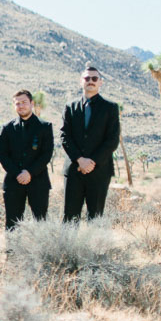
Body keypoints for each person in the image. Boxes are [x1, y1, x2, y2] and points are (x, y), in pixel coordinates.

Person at [61, 65, 120, 221]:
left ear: (100, 82)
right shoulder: (70, 107)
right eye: (87, 78)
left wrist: (92, 162)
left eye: (94, 78)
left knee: (96, 217)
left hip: (99, 171)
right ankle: (67, 246)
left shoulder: (111, 108)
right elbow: (64, 136)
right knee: (69, 217)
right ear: (81, 81)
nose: (91, 81)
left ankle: (95, 246)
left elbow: (112, 140)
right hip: (74, 170)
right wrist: (80, 160)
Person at [0, 90, 54, 231]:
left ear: (32, 103)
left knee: (40, 222)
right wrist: (18, 173)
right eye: (18, 103)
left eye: (24, 102)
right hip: (13, 181)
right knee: (12, 222)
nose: (21, 106)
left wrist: (29, 173)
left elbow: (46, 154)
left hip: (38, 181)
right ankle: (12, 252)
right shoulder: (7, 128)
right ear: (14, 106)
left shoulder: (45, 127)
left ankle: (41, 253)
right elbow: (3, 156)